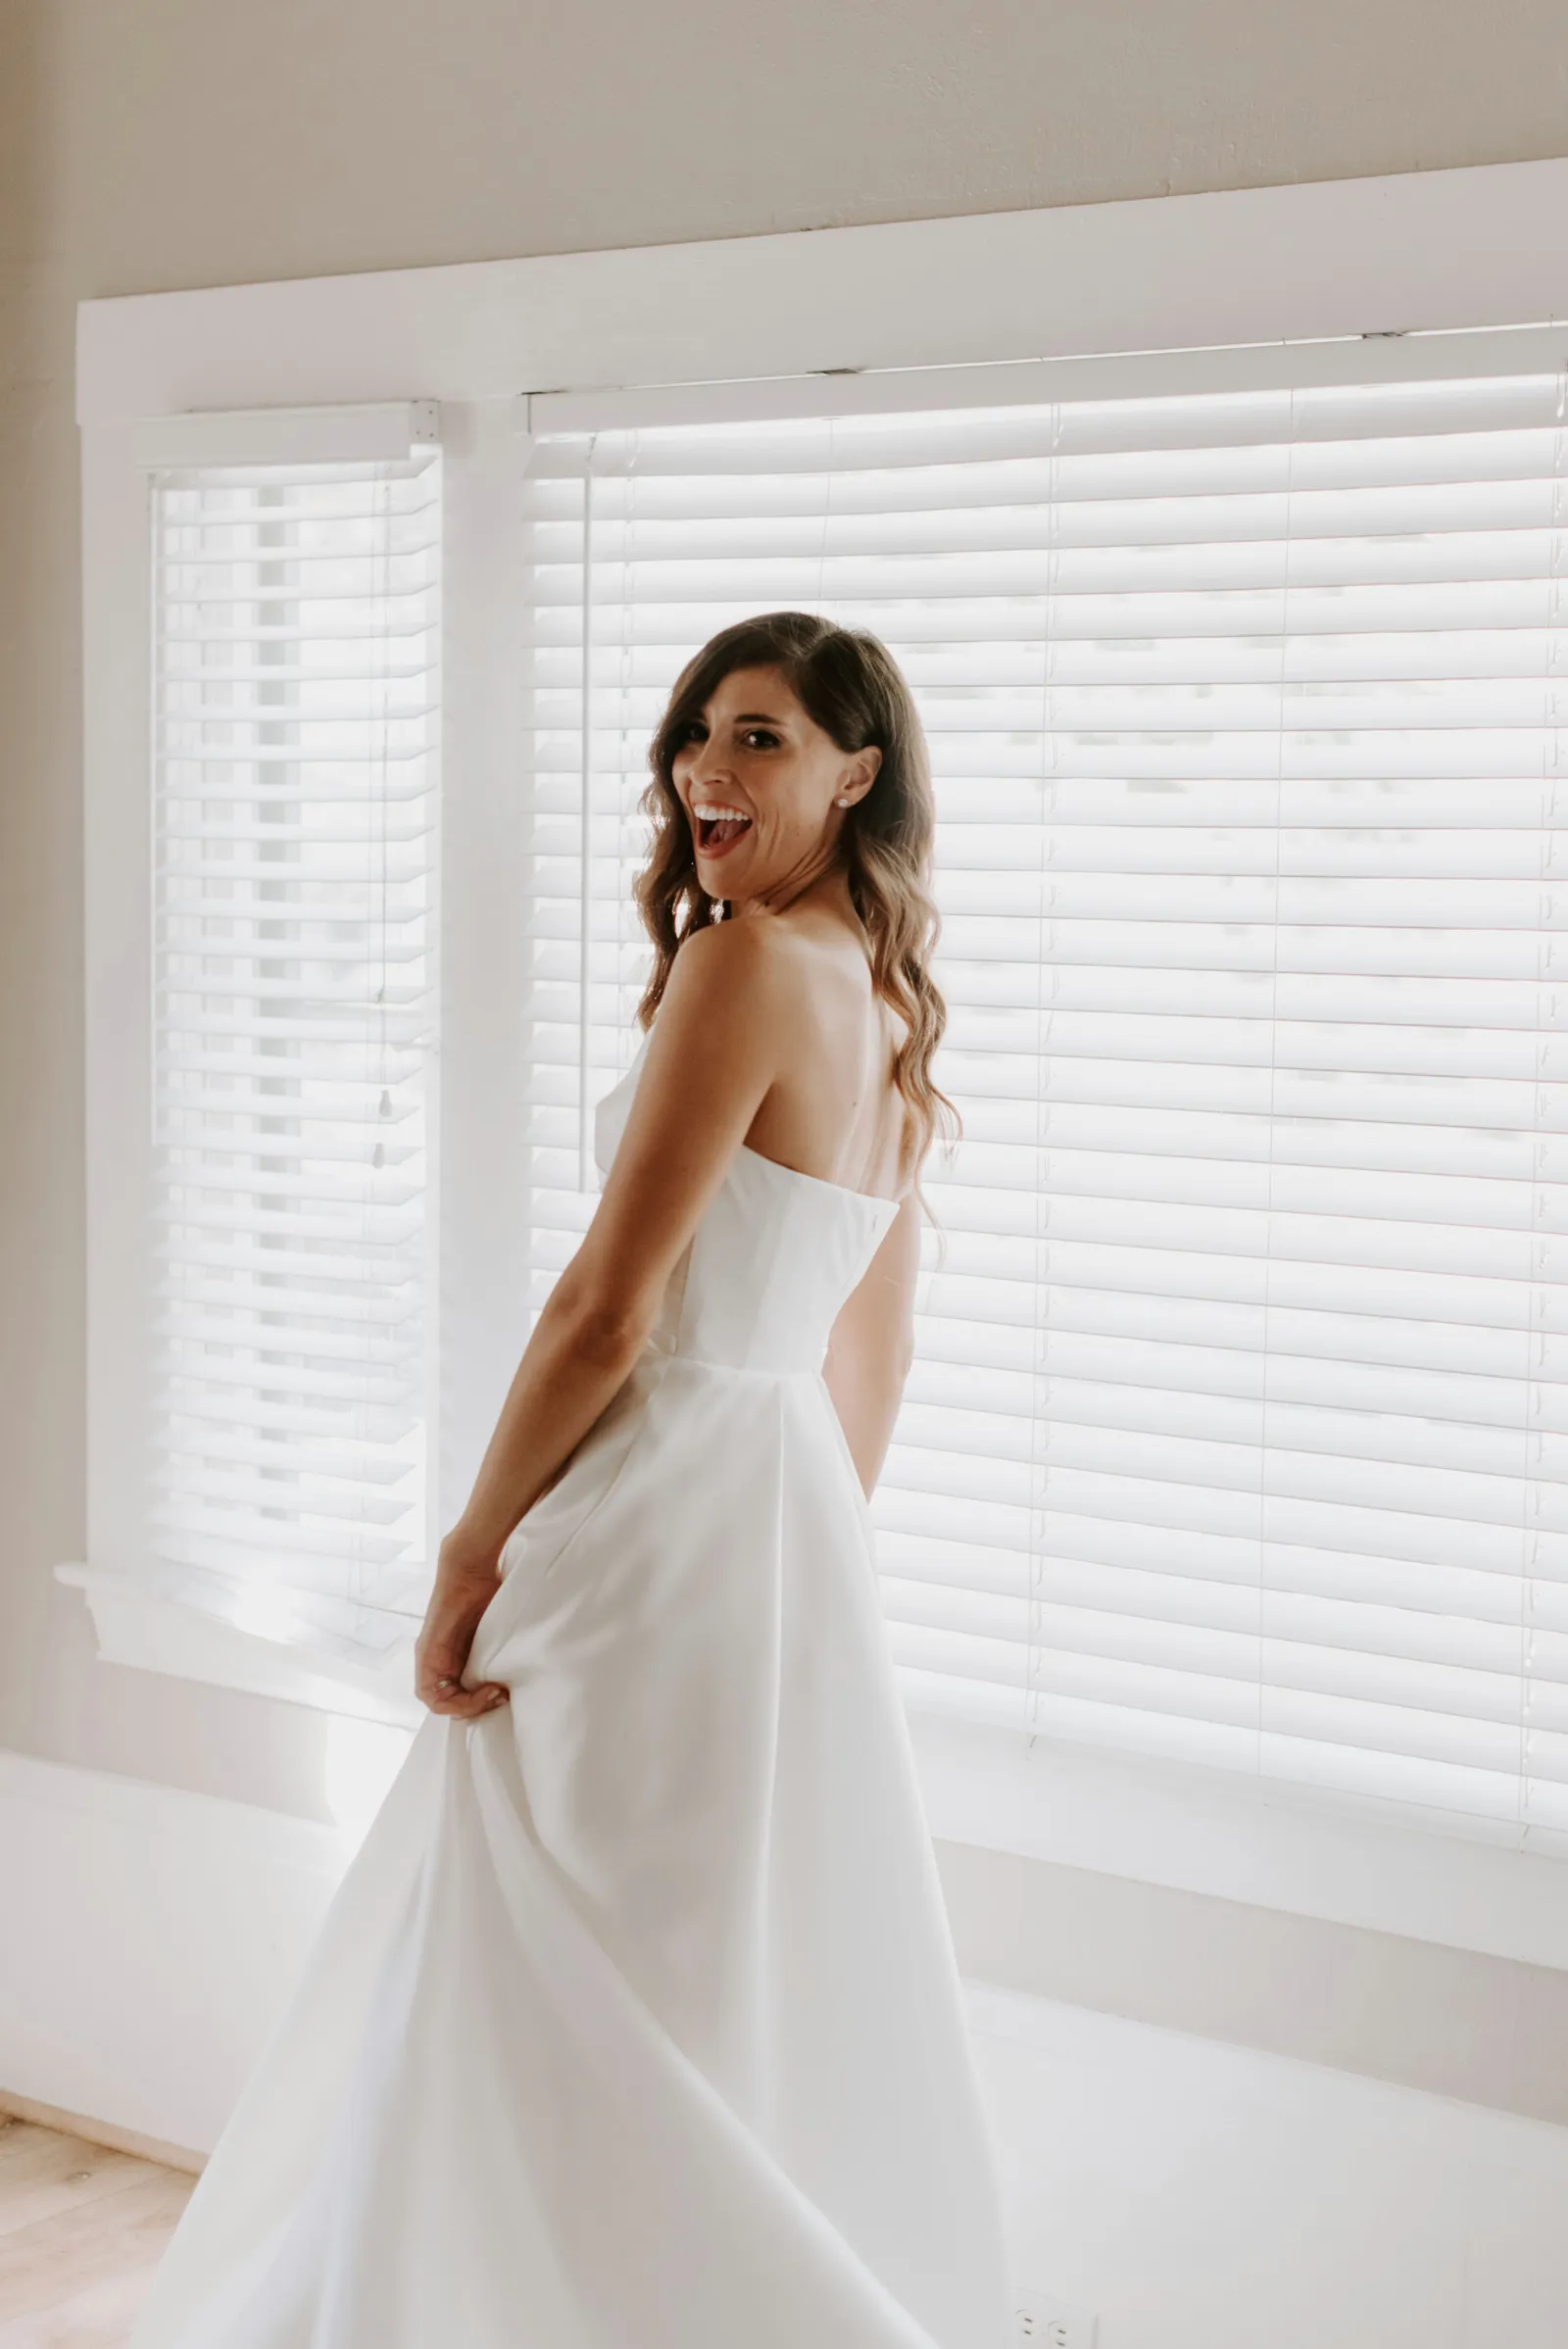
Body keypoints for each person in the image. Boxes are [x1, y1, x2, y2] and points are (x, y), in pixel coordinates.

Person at [128, 611, 1015, 2349]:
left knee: (548, 1956)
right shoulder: (890, 1003)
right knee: (694, 1972)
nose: (707, 765)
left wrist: (471, 1549)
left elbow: (607, 1310)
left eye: (759, 736)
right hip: (779, 1526)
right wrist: (800, 1571)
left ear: (860, 770)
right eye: (699, 729)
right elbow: (870, 1363)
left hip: (652, 1507)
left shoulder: (743, 966)